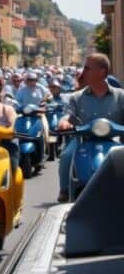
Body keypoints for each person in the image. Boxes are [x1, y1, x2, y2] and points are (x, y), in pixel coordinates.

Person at [56, 53, 124, 202]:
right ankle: (65, 190)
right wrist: (64, 122)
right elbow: (67, 115)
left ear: (102, 71)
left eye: (87, 68)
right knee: (67, 155)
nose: (83, 72)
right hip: (83, 140)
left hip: (116, 141)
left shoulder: (121, 96)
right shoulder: (76, 97)